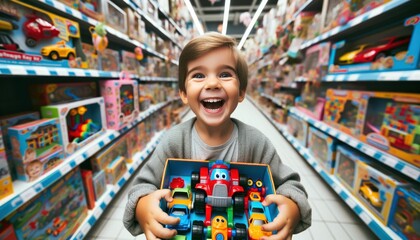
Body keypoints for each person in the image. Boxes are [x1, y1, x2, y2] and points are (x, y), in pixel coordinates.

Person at [123, 32, 311, 239]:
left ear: (241, 92)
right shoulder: (174, 142)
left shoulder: (256, 143)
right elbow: (142, 185)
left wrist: (292, 206)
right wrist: (142, 206)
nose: (212, 83)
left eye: (224, 74)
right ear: (184, 93)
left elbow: (289, 183)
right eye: (198, 75)